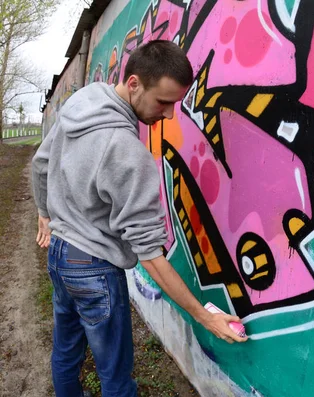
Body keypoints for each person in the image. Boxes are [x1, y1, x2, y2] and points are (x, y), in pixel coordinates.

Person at [31, 40, 247, 397]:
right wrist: (203, 315)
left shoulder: (83, 101)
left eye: (175, 104)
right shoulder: (128, 153)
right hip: (94, 269)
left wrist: (44, 215)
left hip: (60, 256)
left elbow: (41, 164)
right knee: (115, 375)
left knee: (66, 350)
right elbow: (151, 256)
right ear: (134, 84)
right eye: (163, 102)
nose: (168, 115)